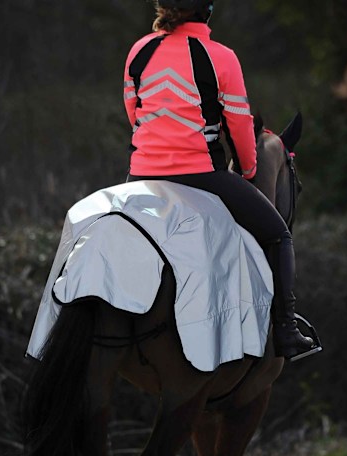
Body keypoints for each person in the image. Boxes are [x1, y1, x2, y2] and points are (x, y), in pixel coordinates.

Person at [123, 0, 315, 361]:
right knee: (278, 236)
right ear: (207, 10)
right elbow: (241, 128)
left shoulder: (139, 51)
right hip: (199, 176)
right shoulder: (220, 56)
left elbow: (135, 113)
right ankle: (287, 331)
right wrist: (245, 171)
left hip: (140, 177)